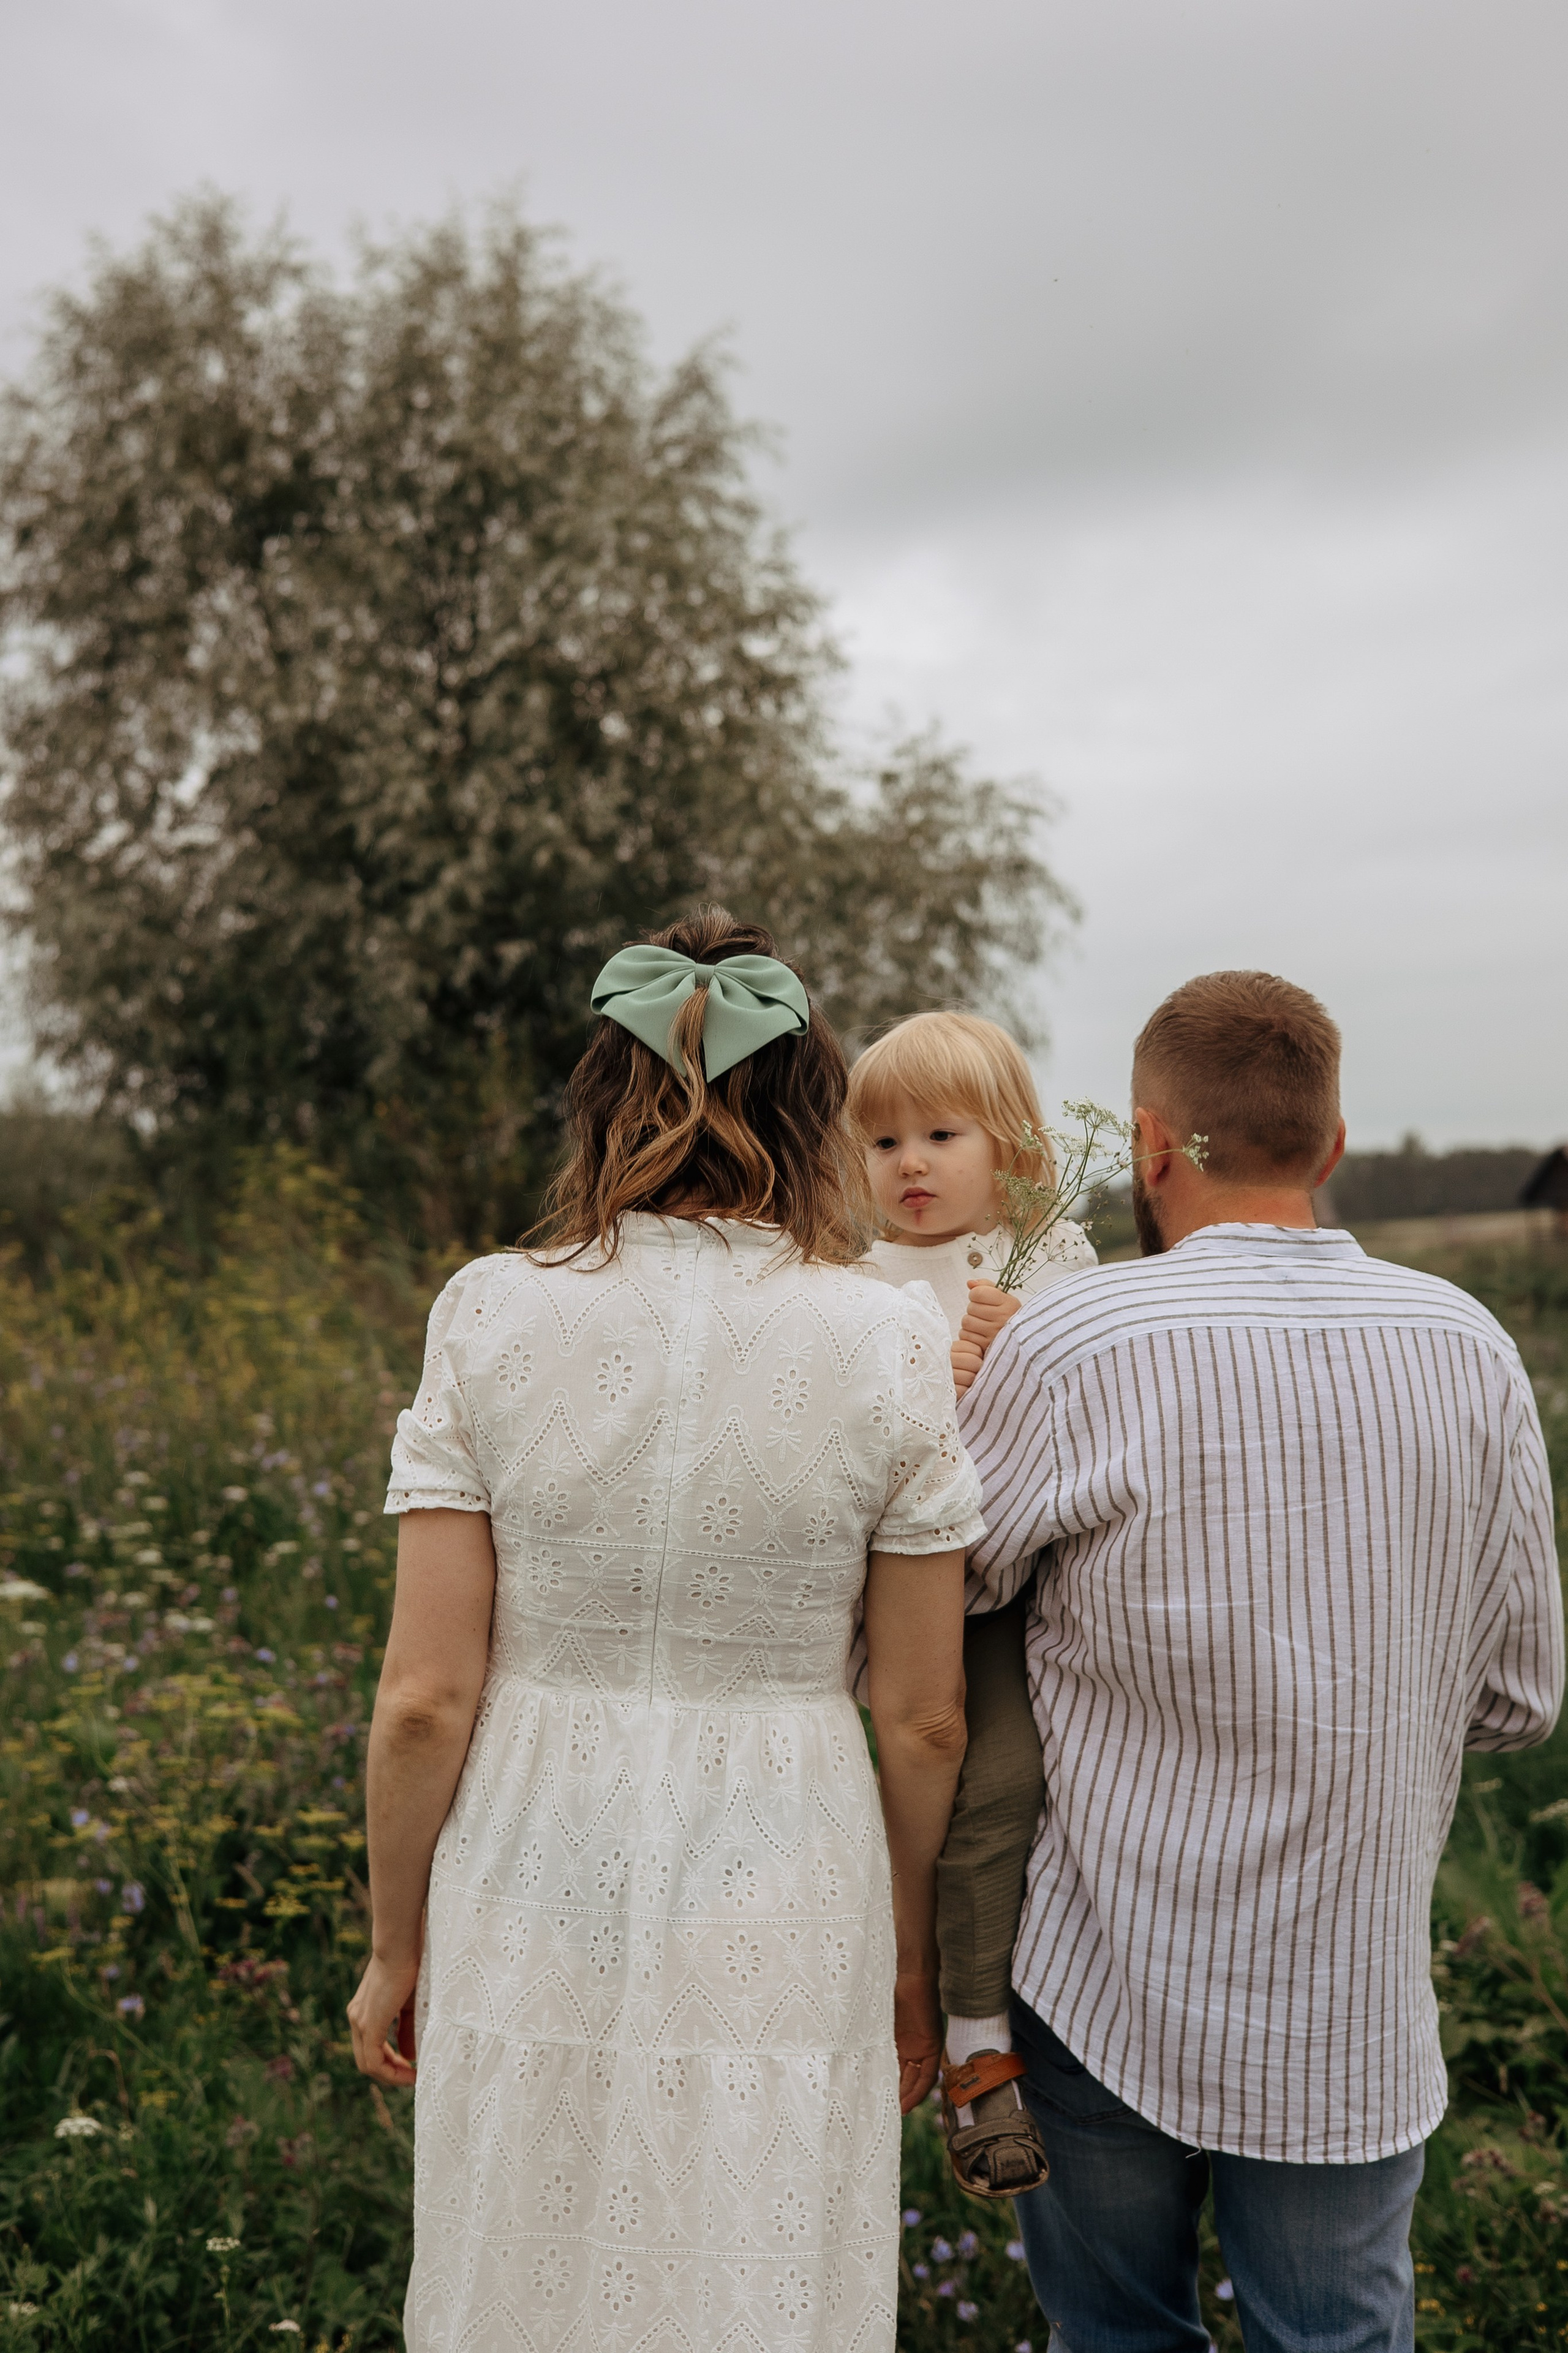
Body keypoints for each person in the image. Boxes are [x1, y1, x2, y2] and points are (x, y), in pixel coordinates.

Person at [346, 907, 981, 2353]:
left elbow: (426, 1699)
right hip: (790, 1874)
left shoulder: (490, 1312)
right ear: (813, 1108)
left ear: (600, 1096)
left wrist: (396, 1943)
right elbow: (925, 1714)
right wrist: (907, 1958)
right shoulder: (883, 1336)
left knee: (526, 2266)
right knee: (754, 2269)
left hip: (525, 1862)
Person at [958, 970, 1563, 2353]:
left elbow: (950, 1594)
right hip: (1346, 1993)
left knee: (1115, 2341)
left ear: (1153, 1144)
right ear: (1331, 1147)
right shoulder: (1467, 1349)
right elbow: (1520, 1697)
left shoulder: (1067, 1340)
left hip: (1099, 1975)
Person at [849, 1011, 1095, 2196]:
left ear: (1012, 1147)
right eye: (881, 1138)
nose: (909, 1162)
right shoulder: (853, 1288)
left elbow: (1102, 1407)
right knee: (978, 1775)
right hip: (928, 1591)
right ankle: (972, 2042)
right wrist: (942, 1384)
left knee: (1056, 1784)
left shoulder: (1051, 1260)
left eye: (940, 1132)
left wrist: (1024, 1350)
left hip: (1057, 1574)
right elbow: (849, 1463)